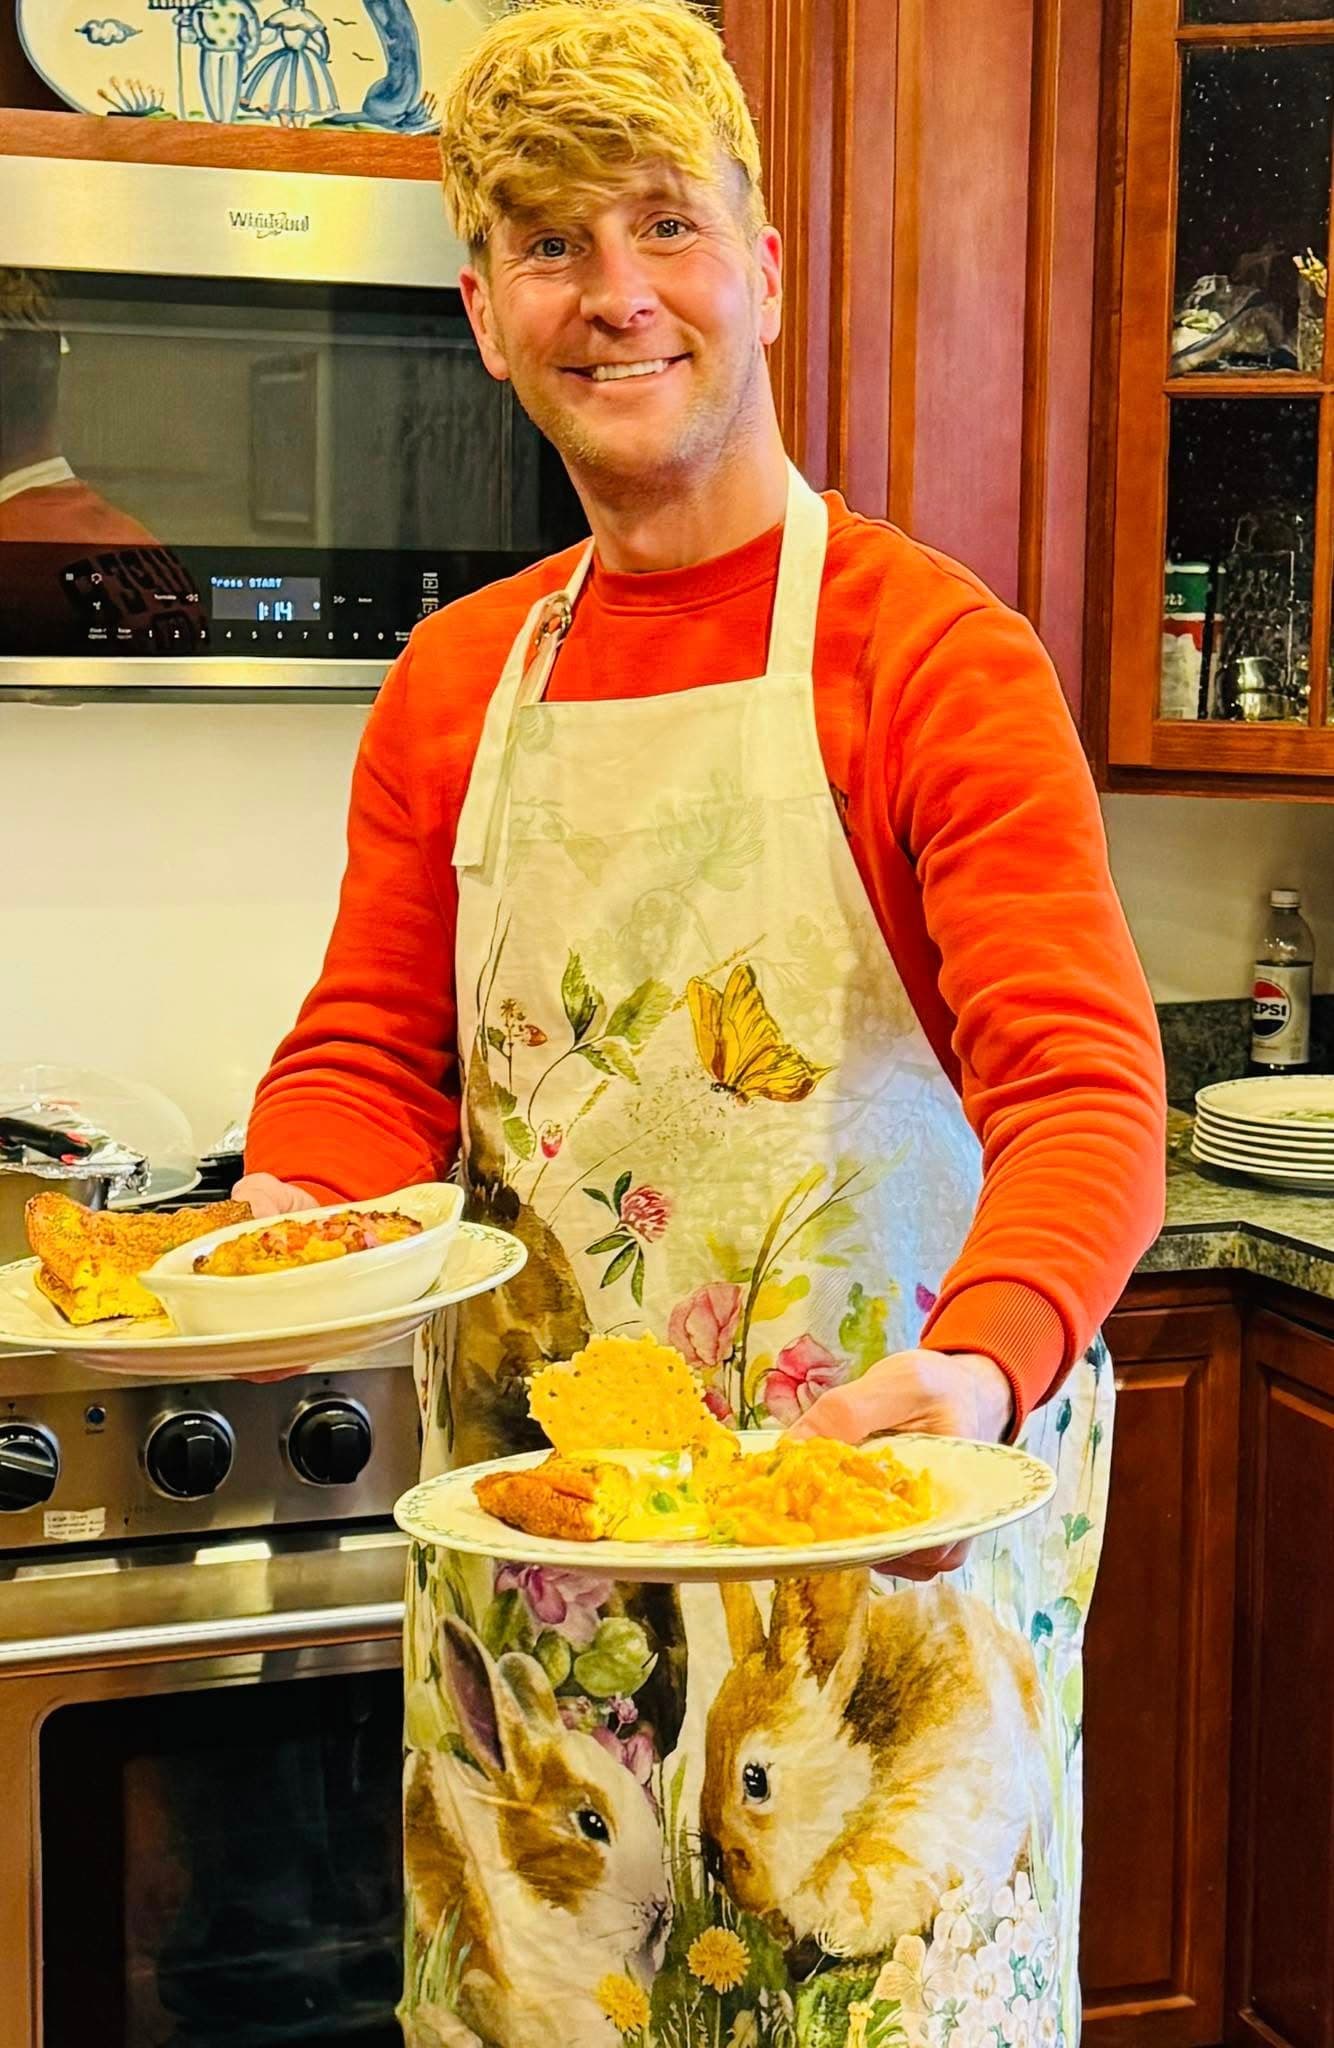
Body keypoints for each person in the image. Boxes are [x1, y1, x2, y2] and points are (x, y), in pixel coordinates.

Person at [236, 3, 1166, 2041]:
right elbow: (367, 1059)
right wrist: (279, 1223)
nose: (615, 293)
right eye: (552, 246)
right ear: (485, 313)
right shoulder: (453, 683)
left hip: (868, 1627)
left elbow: (1084, 1087)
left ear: (760, 265)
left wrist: (979, 1372)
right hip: (546, 1626)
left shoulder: (930, 658)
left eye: (662, 225)